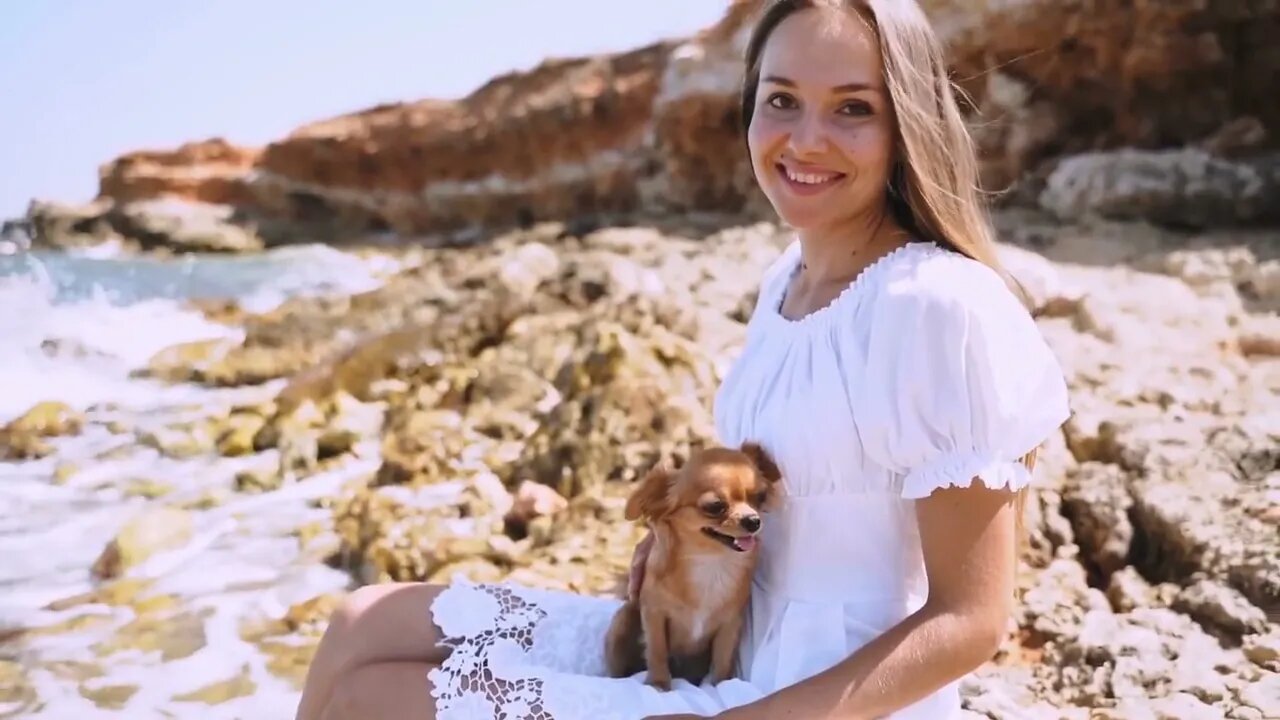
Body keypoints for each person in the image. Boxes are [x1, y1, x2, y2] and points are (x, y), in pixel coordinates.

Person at [294, 0, 1072, 717]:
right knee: (360, 622)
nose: (804, 140)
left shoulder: (939, 305)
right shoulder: (784, 283)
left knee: (377, 699)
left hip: (803, 696)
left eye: (853, 109)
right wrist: (674, 544)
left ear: (909, 124)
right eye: (781, 99)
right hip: (712, 631)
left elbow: (971, 620)